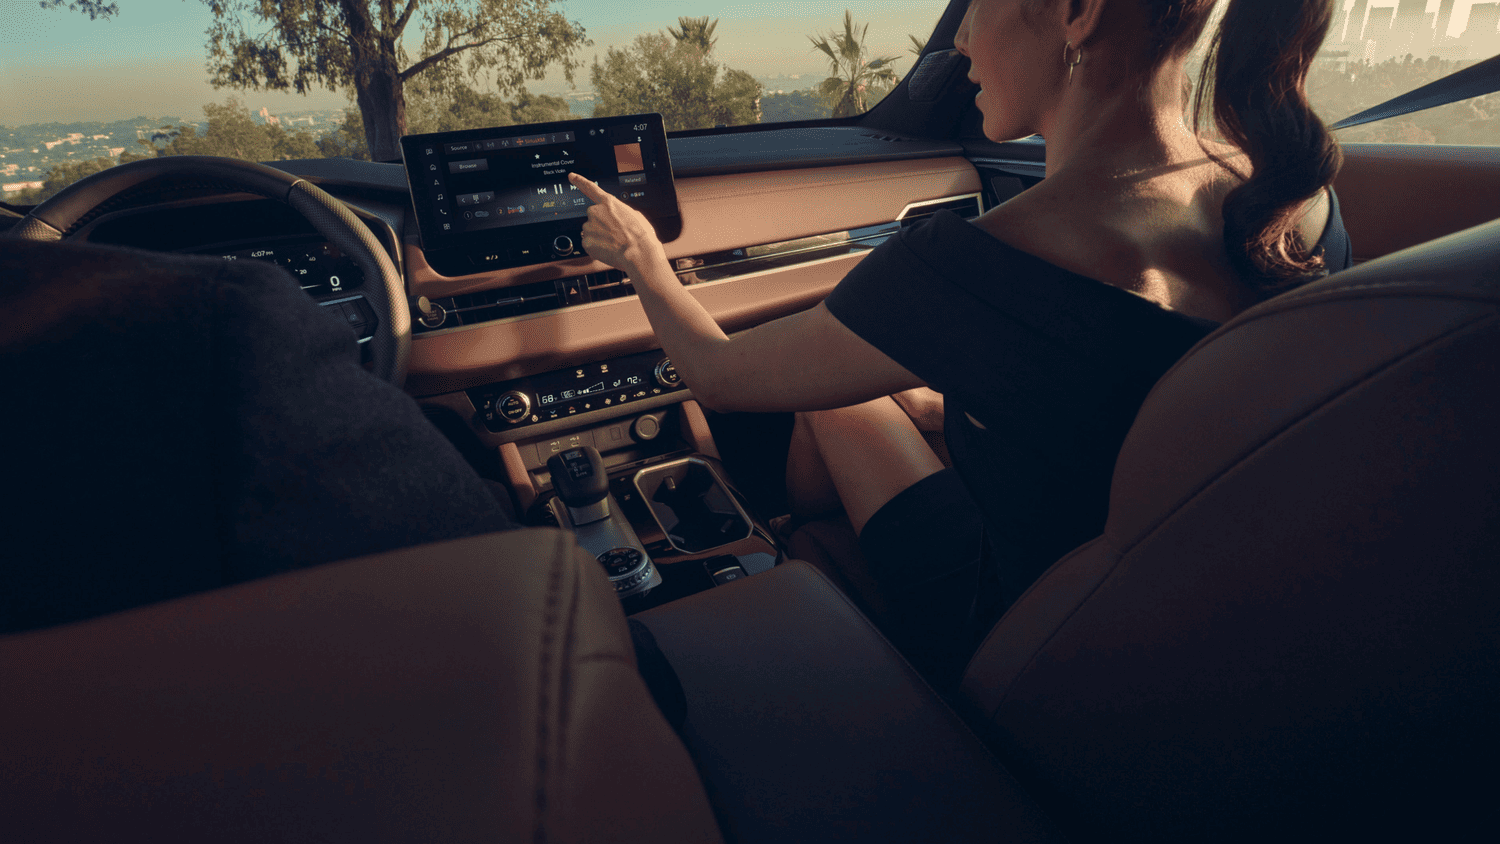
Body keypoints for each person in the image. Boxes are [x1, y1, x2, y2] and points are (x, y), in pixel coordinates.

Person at [570, 0, 1350, 683]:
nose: (962, 39)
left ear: (1078, 9)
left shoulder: (983, 261)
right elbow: (1132, 403)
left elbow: (719, 376)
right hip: (1193, 632)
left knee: (838, 405)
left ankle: (802, 549)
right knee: (896, 396)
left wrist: (642, 257)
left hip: (1022, 642)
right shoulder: (1293, 199)